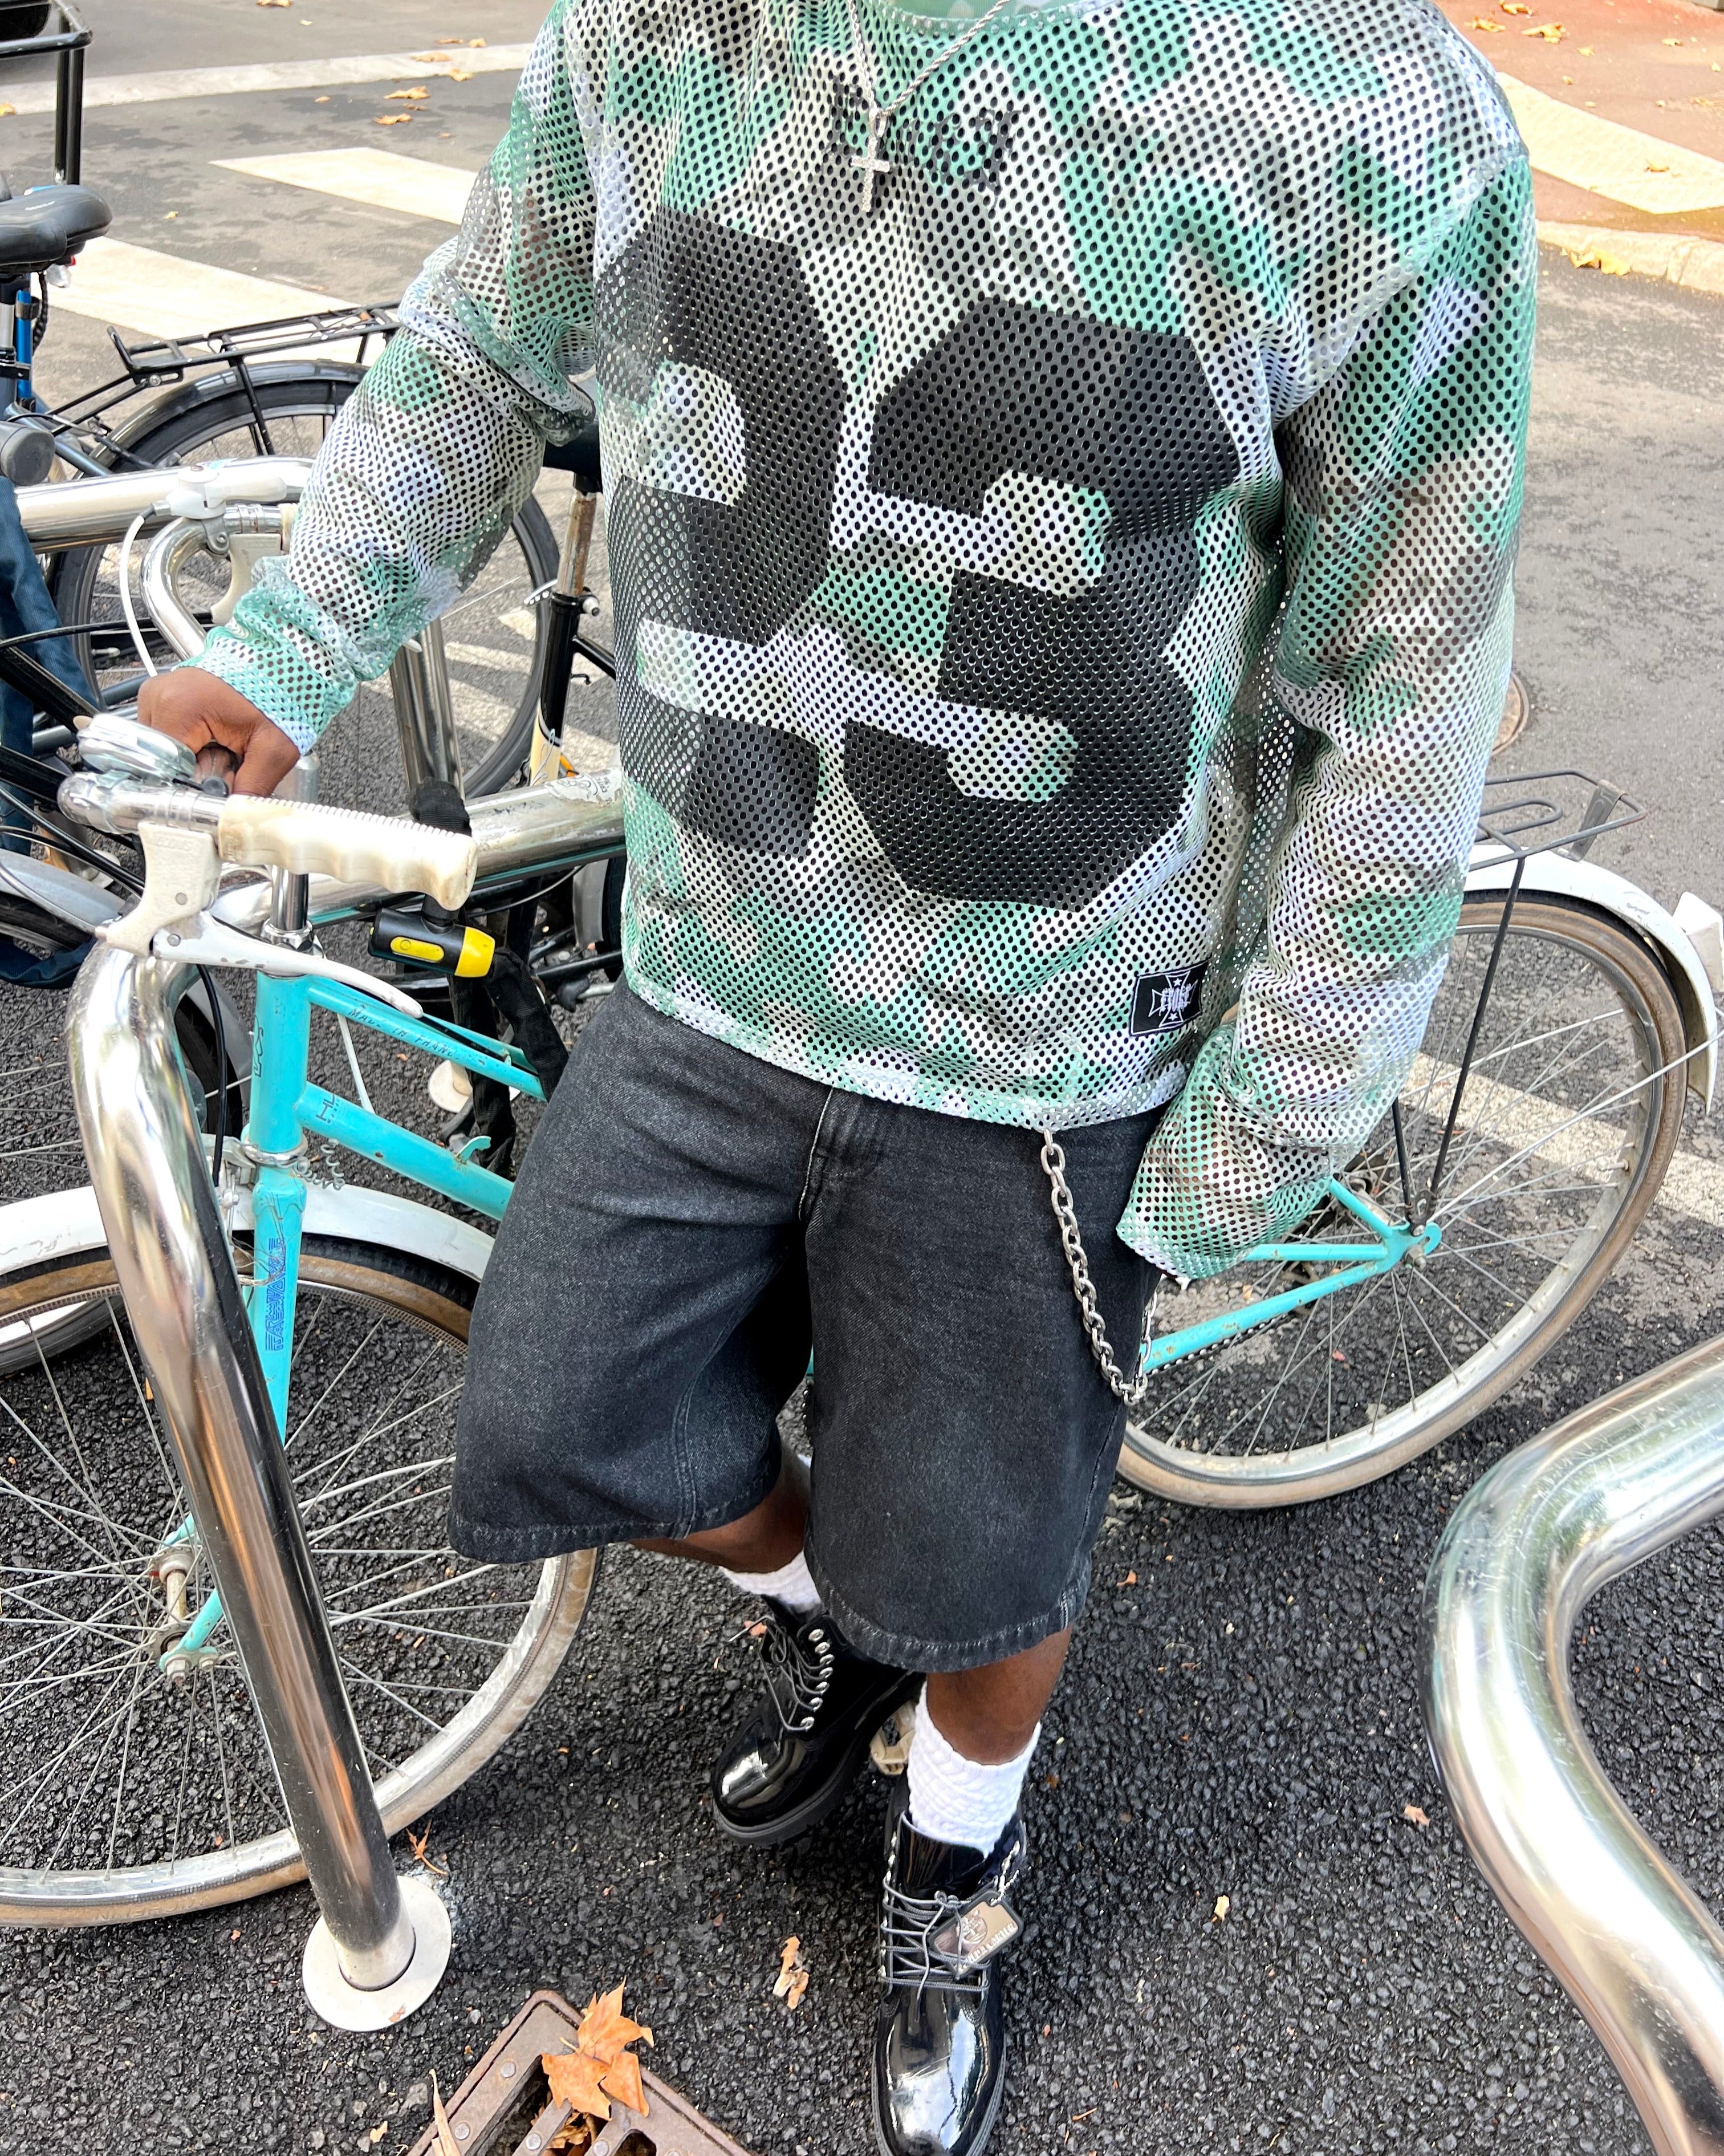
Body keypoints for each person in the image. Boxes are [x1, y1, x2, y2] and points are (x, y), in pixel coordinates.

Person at [141, 0, 1534, 2142]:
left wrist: (1278, 1102)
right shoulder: (645, 31)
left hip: (1048, 1043)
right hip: (714, 960)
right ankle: (843, 1622)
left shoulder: (1362, 108)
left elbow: (1406, 670)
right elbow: (484, 350)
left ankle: (958, 1867)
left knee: (985, 1561)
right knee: (573, 1408)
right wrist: (289, 649)